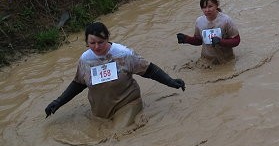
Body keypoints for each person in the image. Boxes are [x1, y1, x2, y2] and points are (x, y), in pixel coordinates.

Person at [44, 22, 185, 122]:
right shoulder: (85, 60)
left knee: (116, 136)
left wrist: (170, 82)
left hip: (127, 104)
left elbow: (149, 70)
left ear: (108, 38)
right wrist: (58, 102)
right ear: (87, 42)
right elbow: (79, 83)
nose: (97, 46)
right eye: (92, 43)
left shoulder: (123, 54)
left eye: (101, 42)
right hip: (100, 110)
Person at [176, 0, 241, 64]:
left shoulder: (226, 21)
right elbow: (199, 40)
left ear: (217, 5)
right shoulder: (199, 21)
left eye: (210, 6)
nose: (207, 10)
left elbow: (237, 40)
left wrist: (220, 41)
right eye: (204, 7)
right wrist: (186, 39)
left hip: (226, 60)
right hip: (207, 60)